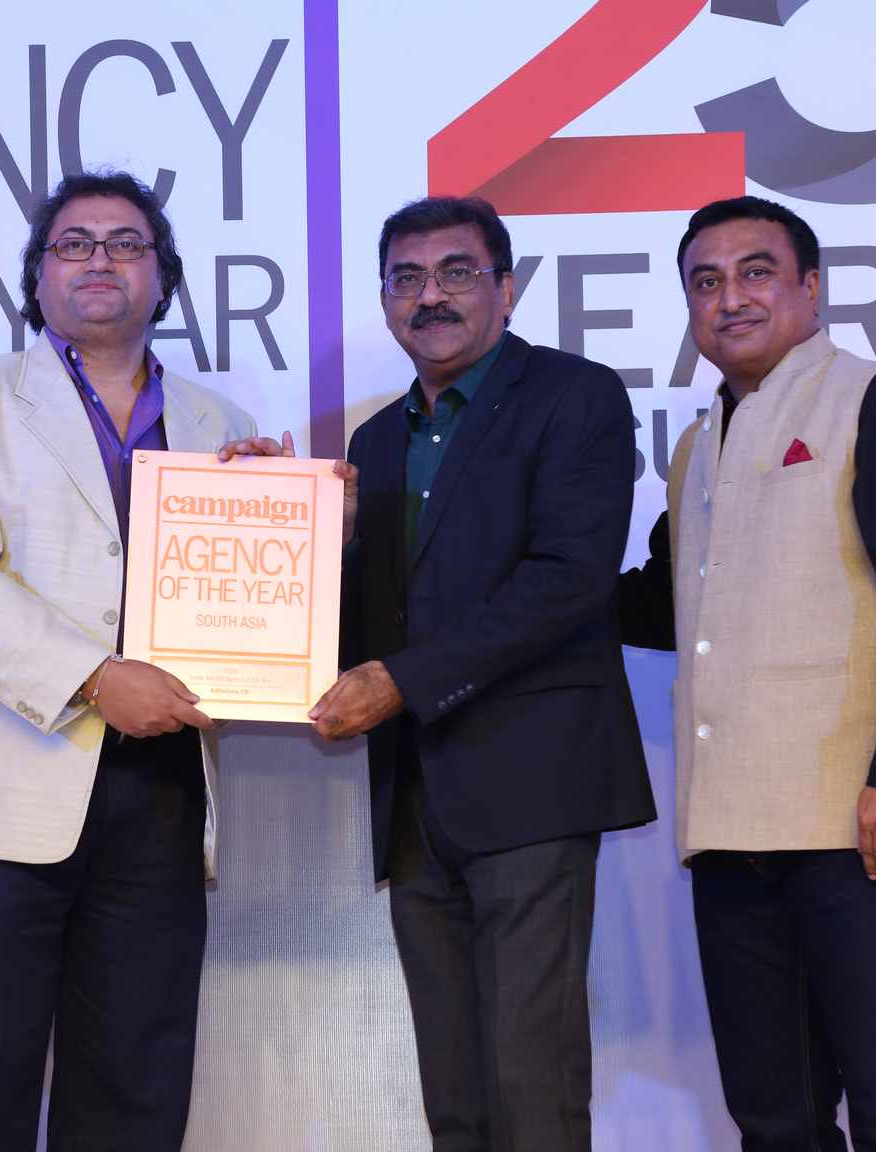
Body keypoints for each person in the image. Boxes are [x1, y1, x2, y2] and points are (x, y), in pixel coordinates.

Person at [0, 170, 259, 1152]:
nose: (101, 259)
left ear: (163, 278)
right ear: (38, 276)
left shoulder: (220, 424)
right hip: (2, 788)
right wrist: (96, 678)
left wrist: (313, 532)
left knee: (137, 1090)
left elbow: (249, 598)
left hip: (162, 790)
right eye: (75, 243)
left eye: (127, 243)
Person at [617, 195, 876, 1151]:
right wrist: (495, 583)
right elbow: (661, 603)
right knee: (774, 1119)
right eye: (706, 282)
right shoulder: (700, 443)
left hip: (860, 826)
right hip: (730, 837)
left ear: (811, 288)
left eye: (756, 273)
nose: (729, 299)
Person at [318, 195, 655, 1151]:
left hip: (531, 784)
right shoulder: (375, 443)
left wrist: (402, 682)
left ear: (506, 289)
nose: (430, 296)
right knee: (454, 1092)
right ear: (385, 298)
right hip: (415, 799)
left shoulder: (575, 397)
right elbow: (372, 618)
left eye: (456, 272)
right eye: (407, 278)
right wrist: (296, 533)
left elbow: (569, 579)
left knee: (529, 1081)